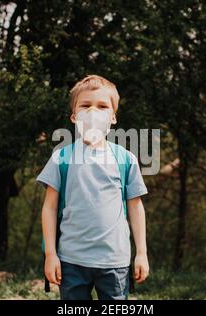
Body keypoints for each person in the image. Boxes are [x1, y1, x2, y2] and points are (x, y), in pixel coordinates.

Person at [37, 74, 149, 300]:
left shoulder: (125, 160)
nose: (93, 112)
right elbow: (49, 208)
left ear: (113, 117)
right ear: (74, 116)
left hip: (115, 262)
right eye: (85, 106)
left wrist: (142, 253)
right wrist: (50, 254)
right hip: (71, 260)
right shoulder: (62, 158)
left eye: (102, 106)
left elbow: (136, 208)